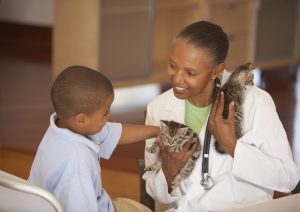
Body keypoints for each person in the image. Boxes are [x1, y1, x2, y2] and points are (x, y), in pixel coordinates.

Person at [143, 20, 300, 211]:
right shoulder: (158, 107)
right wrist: (169, 170)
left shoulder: (255, 102)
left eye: (190, 72)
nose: (177, 78)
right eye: (172, 65)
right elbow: (156, 192)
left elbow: (287, 178)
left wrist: (232, 146)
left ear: (216, 70)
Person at [28, 65, 159, 212]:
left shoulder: (62, 128)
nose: (108, 115)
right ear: (81, 119)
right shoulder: (77, 165)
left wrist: (158, 131)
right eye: (105, 113)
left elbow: (116, 133)